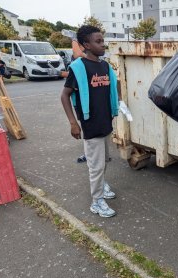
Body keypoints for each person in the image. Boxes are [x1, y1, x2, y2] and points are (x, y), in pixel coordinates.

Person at [61, 25, 119, 218]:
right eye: (98, 41)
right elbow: (65, 95)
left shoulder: (105, 66)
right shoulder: (78, 68)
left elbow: (109, 90)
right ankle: (97, 201)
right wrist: (73, 123)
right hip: (90, 124)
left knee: (105, 161)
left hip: (104, 122)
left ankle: (102, 186)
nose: (103, 45)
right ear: (86, 44)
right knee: (96, 166)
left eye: (103, 40)